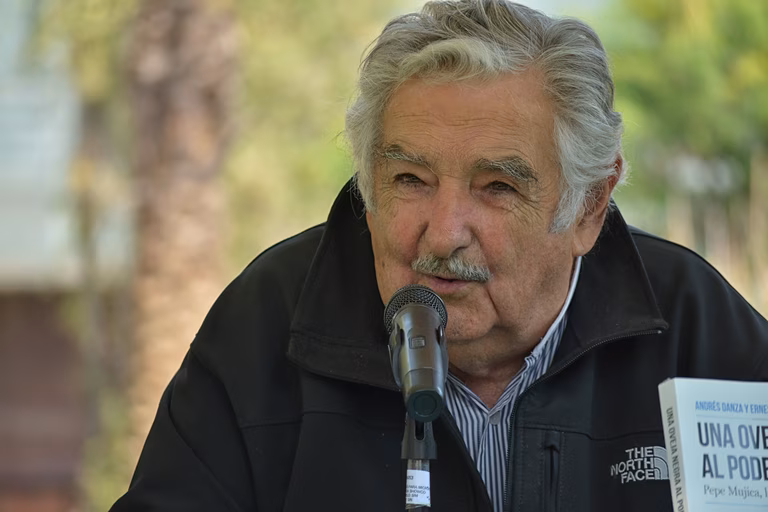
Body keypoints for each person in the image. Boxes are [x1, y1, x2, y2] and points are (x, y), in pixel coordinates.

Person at [110, 1, 768, 511]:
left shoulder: (698, 334)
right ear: (368, 188)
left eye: (497, 187)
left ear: (589, 207)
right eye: (411, 180)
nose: (445, 232)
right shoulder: (267, 326)